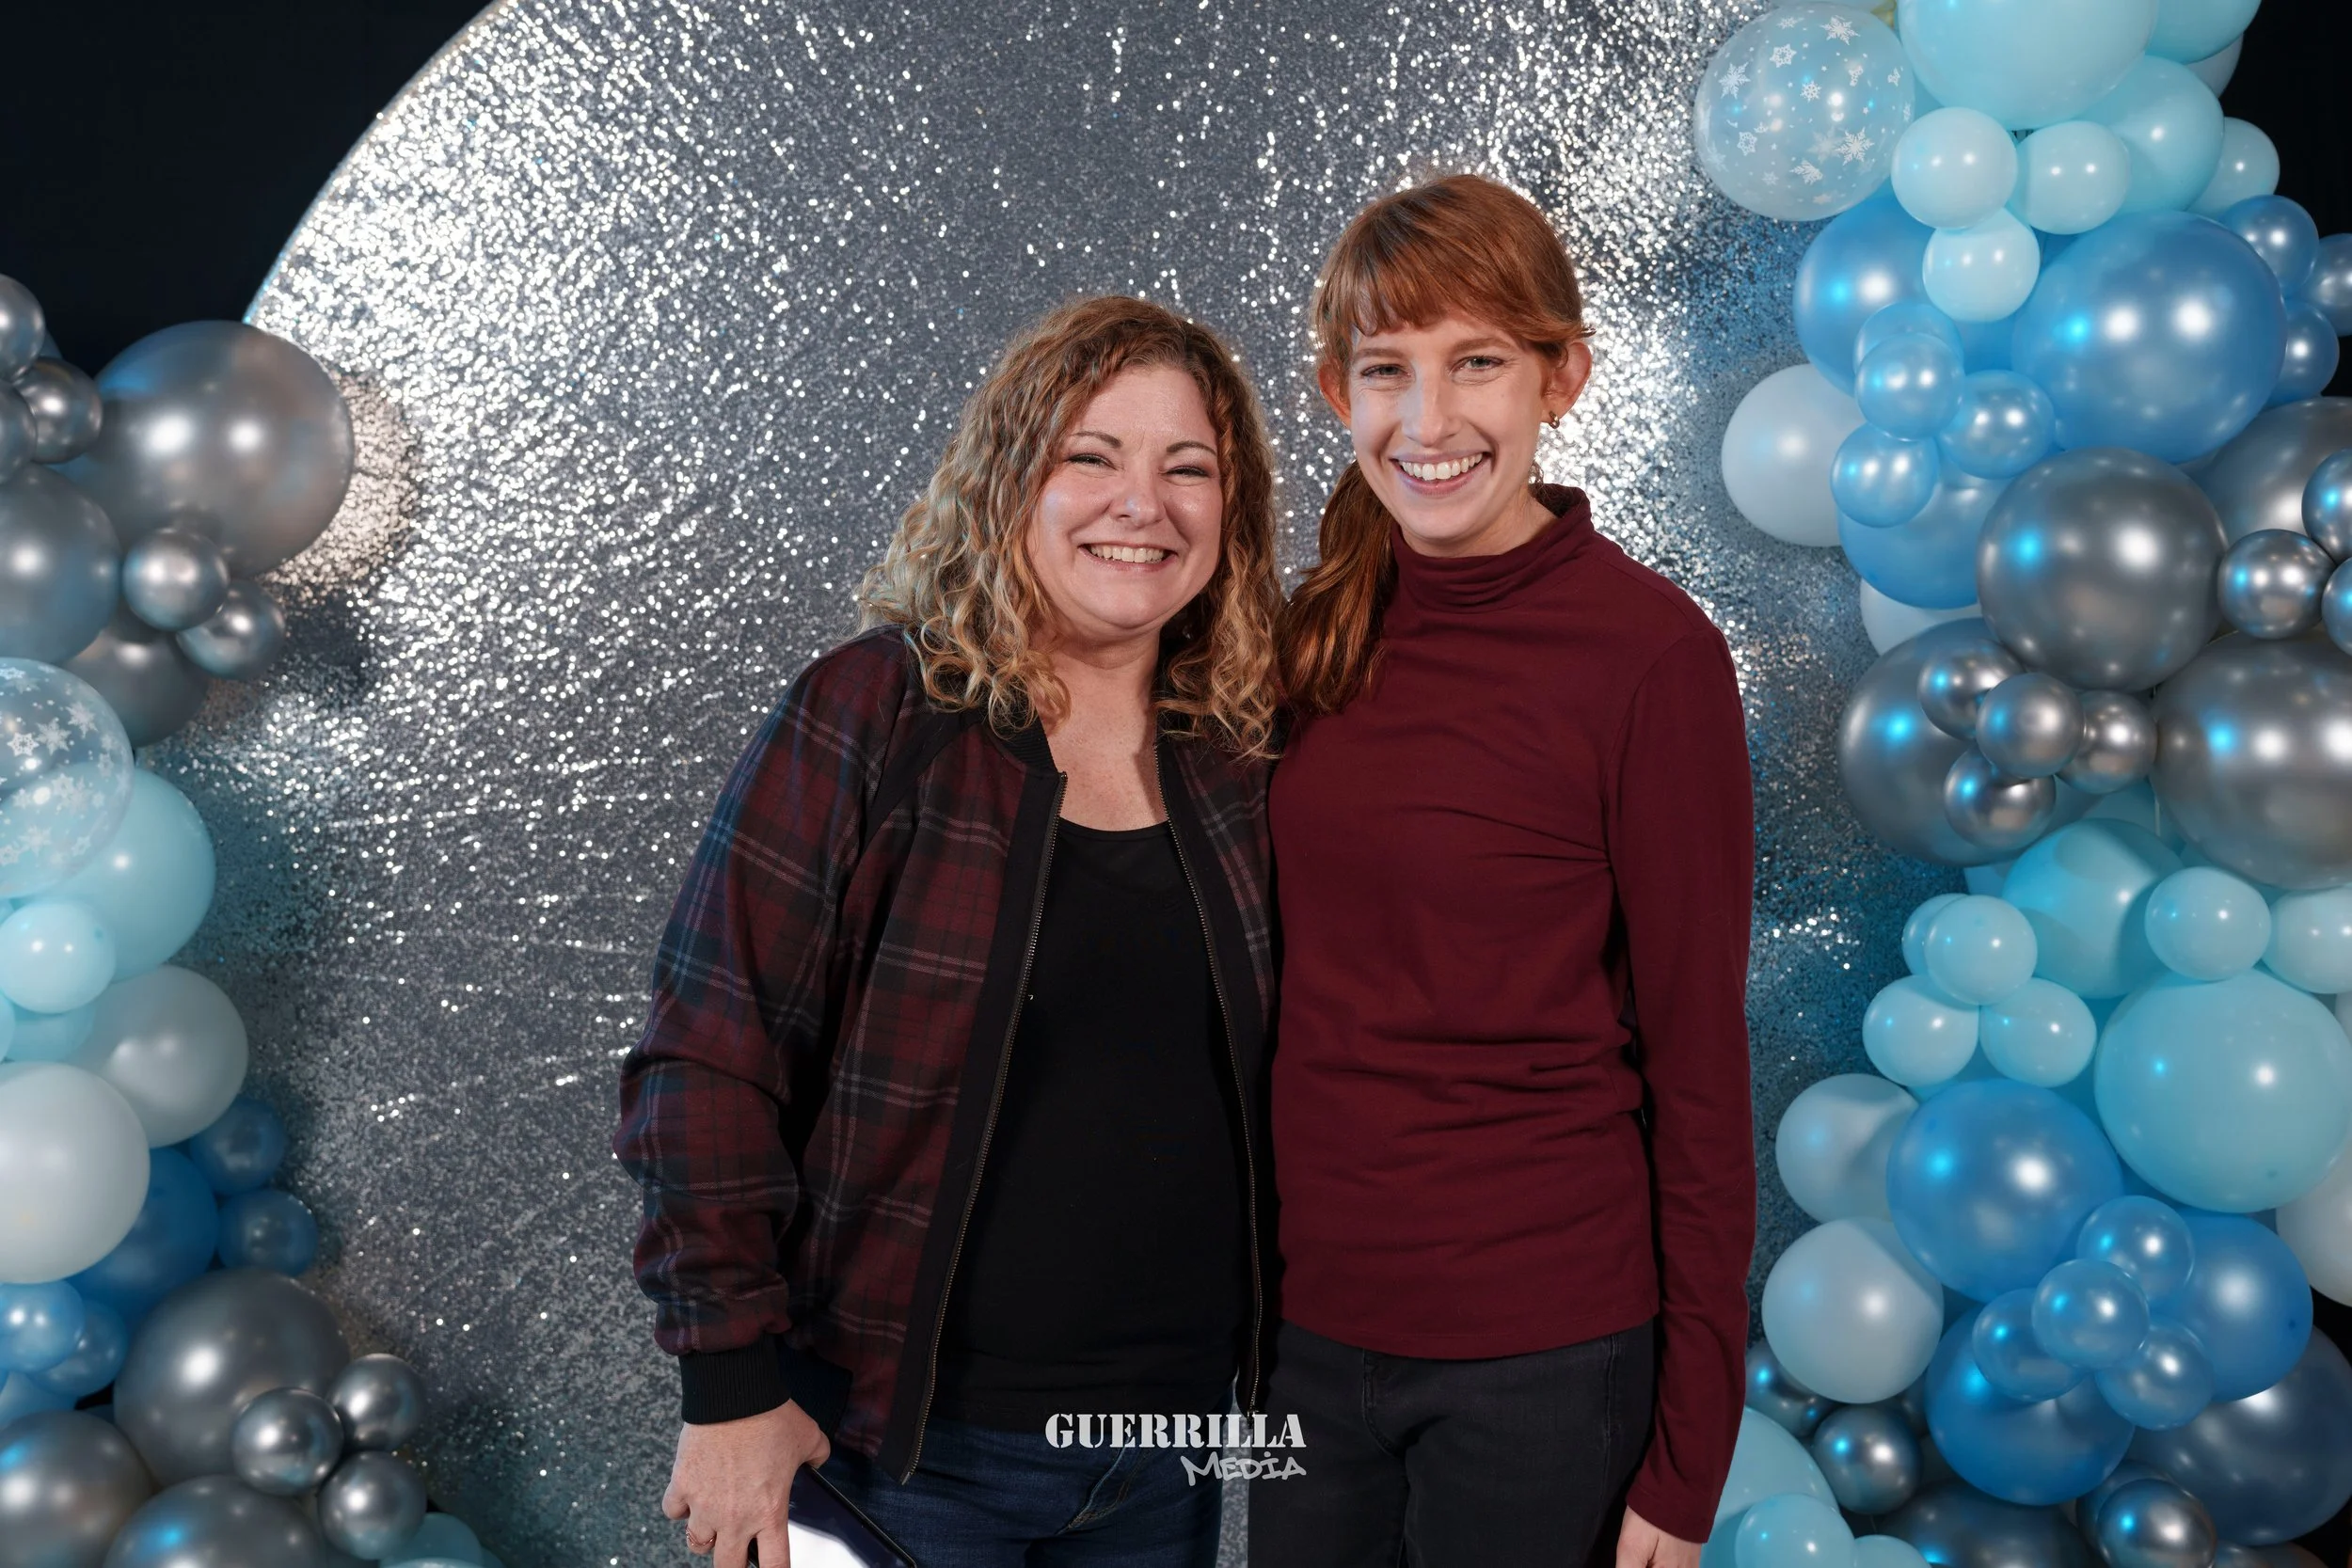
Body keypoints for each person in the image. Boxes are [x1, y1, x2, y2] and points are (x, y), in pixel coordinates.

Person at [613, 293, 1285, 1568]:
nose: (1141, 503)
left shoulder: (1241, 760)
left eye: (1186, 468)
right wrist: (728, 1381)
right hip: (889, 1455)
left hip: (1164, 1465)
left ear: (1230, 515)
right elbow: (708, 1051)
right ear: (1010, 481)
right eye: (1092, 455)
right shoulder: (880, 711)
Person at [1252, 173, 1756, 1568]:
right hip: (1308, 1340)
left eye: (1477, 362)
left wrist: (1689, 1453)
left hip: (1543, 1355)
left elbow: (1705, 1066)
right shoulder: (1311, 640)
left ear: (1562, 376)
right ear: (1332, 391)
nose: (1429, 422)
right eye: (1387, 371)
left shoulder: (1651, 661)